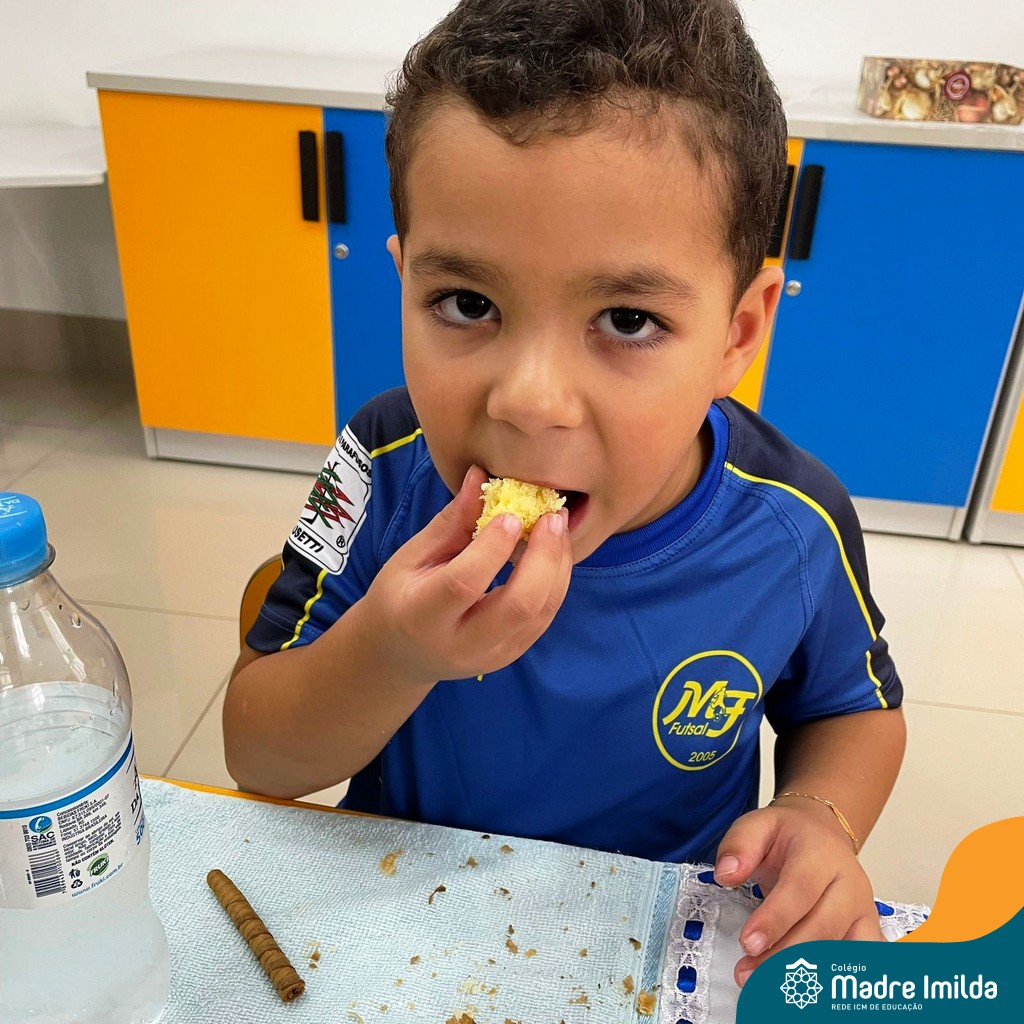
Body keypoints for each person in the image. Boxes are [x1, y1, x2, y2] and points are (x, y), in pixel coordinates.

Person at [223, 0, 907, 987]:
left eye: (627, 319)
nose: (529, 400)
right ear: (402, 281)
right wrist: (393, 651)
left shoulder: (795, 523)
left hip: (659, 944)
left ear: (738, 334)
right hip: (399, 921)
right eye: (466, 303)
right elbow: (256, 753)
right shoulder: (374, 460)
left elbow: (855, 709)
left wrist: (817, 812)